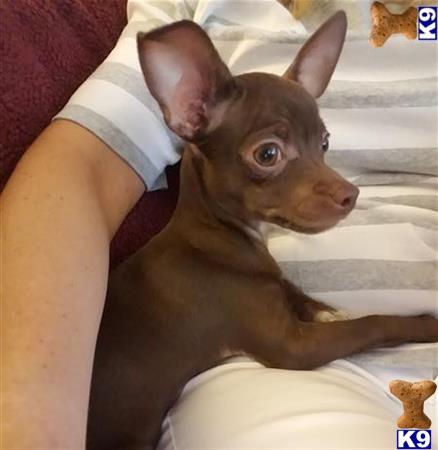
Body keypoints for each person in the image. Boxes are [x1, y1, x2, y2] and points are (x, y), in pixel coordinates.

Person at [4, 1, 437, 449]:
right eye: (268, 155)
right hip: (301, 390)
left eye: (320, 145)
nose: (338, 187)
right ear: (188, 111)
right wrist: (411, 326)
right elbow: (291, 346)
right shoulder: (204, 270)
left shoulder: (229, 258)